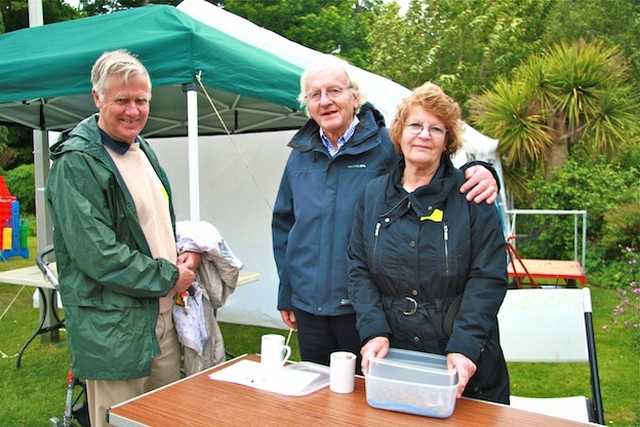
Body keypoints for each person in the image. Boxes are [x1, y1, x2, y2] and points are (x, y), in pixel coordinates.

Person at [271, 55, 500, 370]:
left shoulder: (385, 145)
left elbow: (434, 169)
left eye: (334, 91)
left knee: (362, 402)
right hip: (310, 309)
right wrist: (288, 292)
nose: (325, 101)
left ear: (355, 97)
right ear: (307, 103)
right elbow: (285, 228)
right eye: (315, 94)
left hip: (363, 311)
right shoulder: (299, 156)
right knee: (319, 400)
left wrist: (482, 170)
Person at [45, 49, 199, 427]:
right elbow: (97, 254)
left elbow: (151, 224)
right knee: (121, 420)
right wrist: (168, 276)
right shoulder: (77, 161)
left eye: (141, 100)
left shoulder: (141, 148)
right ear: (97, 98)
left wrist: (182, 253)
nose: (134, 110)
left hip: (161, 317)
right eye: (122, 100)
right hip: (113, 328)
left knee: (163, 416)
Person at [347, 81, 510, 404]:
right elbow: (359, 267)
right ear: (399, 133)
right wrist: (373, 330)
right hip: (394, 358)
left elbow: (488, 277)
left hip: (462, 363)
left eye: (436, 129)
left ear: (447, 141)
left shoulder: (472, 194)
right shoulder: (373, 195)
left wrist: (464, 347)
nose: (424, 134)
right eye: (416, 125)